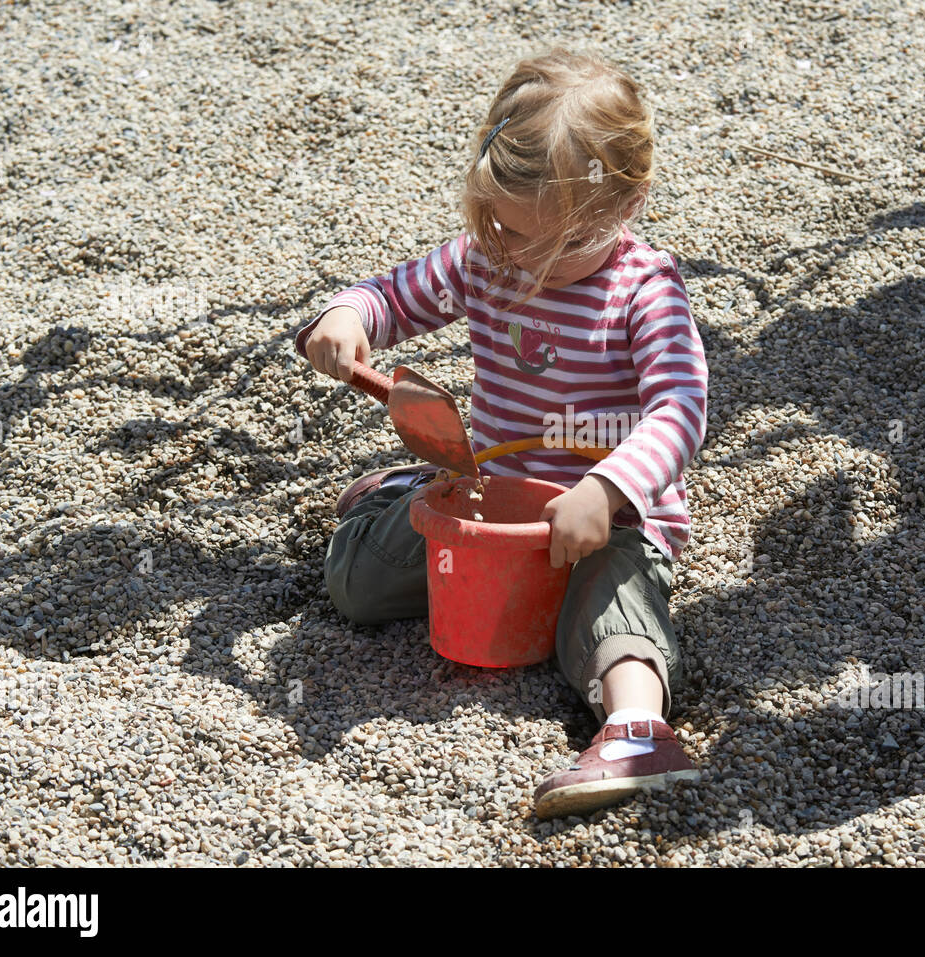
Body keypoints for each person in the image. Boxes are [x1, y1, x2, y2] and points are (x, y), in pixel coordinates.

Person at [295, 46, 708, 819]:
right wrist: (350, 316)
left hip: (603, 521)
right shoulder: (486, 259)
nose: (518, 258)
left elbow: (680, 409)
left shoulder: (644, 291)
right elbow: (396, 295)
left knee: (612, 609)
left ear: (630, 203)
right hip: (490, 503)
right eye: (504, 229)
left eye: (548, 245)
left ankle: (637, 729)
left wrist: (608, 486)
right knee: (357, 584)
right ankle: (402, 493)